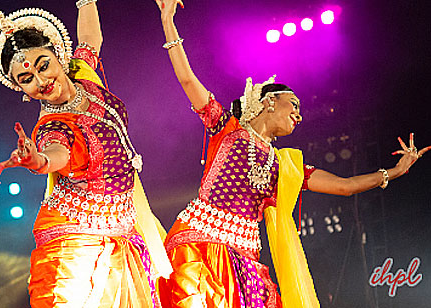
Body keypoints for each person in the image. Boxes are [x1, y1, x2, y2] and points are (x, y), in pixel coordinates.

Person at [154, 1, 431, 307]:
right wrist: (168, 20)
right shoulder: (226, 127)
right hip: (200, 247)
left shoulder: (285, 166)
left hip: (246, 263)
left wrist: (395, 171)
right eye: (294, 105)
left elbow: (344, 186)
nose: (299, 116)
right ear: (270, 100)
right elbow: (188, 80)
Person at [0, 3, 172, 307]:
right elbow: (56, 154)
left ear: (59, 55)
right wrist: (37, 161)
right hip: (80, 237)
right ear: (20, 87)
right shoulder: (53, 126)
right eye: (26, 78)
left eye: (43, 65)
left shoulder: (83, 74)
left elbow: (89, 40)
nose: (40, 80)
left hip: (123, 228)